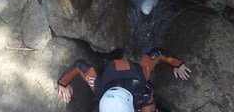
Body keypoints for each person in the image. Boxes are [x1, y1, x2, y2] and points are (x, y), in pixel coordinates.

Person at [57, 48, 191, 112]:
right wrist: (63, 83)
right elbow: (79, 65)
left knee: (148, 106)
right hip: (115, 83)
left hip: (132, 80)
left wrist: (177, 64)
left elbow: (157, 53)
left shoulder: (141, 75)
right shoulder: (98, 87)